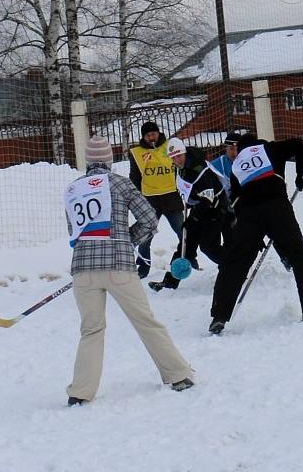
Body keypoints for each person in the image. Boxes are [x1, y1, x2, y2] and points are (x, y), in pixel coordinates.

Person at [64, 136, 194, 406]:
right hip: (119, 266)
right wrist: (127, 239)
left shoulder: (73, 189)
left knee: (91, 330)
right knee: (145, 321)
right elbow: (149, 219)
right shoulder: (120, 183)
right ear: (110, 160)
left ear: (87, 161)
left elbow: (74, 233)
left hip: (82, 270)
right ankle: (178, 375)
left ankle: (80, 392)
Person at [208, 133, 303, 335]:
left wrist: (248, 231)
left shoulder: (236, 166)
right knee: (298, 256)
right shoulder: (271, 148)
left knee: (234, 263)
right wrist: (301, 173)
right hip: (277, 207)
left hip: (249, 215)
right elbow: (299, 144)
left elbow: (235, 199)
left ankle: (219, 317)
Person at [149, 138, 230, 292]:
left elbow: (208, 200)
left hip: (216, 210)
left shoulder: (199, 170)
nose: (176, 160)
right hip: (201, 209)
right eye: (173, 157)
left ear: (184, 153)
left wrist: (194, 218)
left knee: (209, 246)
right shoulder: (183, 167)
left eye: (179, 156)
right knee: (185, 244)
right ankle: (171, 281)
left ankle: (234, 269)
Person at [128, 121, 184, 278]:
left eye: (153, 134)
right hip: (150, 200)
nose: (151, 137)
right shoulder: (137, 153)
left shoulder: (170, 146)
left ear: (158, 133)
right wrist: (136, 198)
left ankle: (188, 259)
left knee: (183, 232)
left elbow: (182, 165)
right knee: (145, 237)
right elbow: (135, 178)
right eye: (147, 135)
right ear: (143, 137)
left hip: (171, 196)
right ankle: (143, 268)